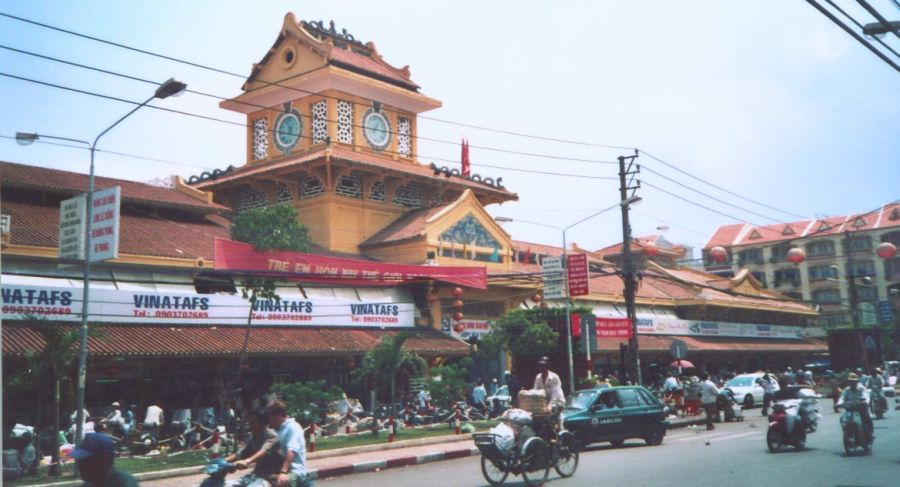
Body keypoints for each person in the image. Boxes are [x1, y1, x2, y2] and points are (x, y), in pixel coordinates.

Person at [223, 409, 282, 486]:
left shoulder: (272, 437)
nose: (249, 424)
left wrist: (247, 461)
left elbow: (263, 451)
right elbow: (242, 453)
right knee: (226, 485)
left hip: (269, 478)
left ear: (262, 422)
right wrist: (223, 461)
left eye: (253, 422)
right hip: (255, 475)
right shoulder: (254, 437)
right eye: (249, 422)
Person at [267, 401, 313, 487]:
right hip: (278, 470)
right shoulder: (276, 430)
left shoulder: (293, 427)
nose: (267, 421)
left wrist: (283, 471)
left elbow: (291, 451)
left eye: (269, 417)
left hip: (295, 471)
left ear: (278, 415)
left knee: (280, 482)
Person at [71, 432, 138, 486]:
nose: (80, 465)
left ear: (105, 460)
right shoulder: (89, 484)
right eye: (80, 460)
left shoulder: (124, 482)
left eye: (86, 461)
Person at [838, 373, 874, 440]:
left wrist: (865, 401)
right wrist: (839, 404)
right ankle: (847, 432)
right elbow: (842, 398)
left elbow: (866, 396)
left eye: (853, 381)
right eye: (850, 381)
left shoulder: (862, 388)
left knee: (867, 418)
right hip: (850, 409)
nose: (852, 383)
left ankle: (870, 433)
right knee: (842, 419)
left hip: (861, 409)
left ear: (857, 381)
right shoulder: (846, 390)